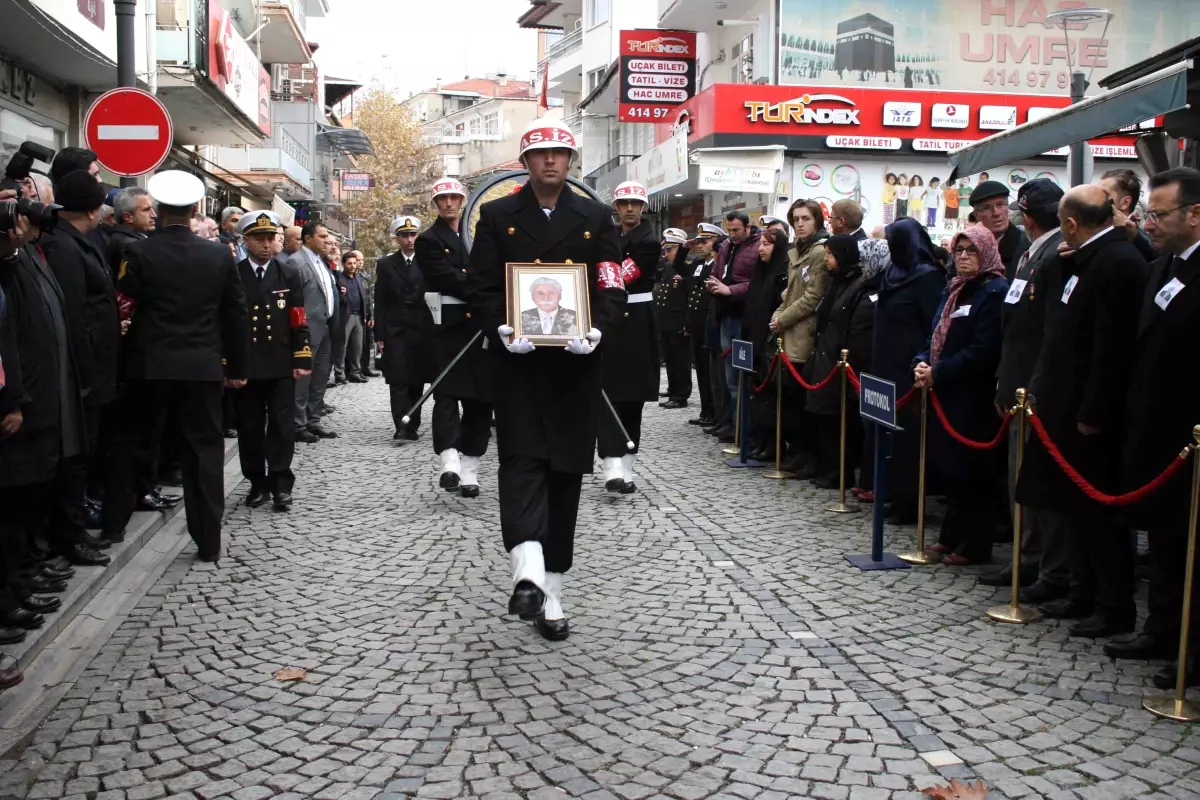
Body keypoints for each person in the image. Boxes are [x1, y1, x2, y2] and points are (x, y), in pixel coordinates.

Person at [464, 118, 626, 641]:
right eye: (540, 154)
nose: (550, 161)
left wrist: (597, 330)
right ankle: (527, 569)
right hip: (519, 365)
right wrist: (501, 327)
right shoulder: (496, 215)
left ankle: (552, 589)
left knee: (566, 479)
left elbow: (610, 284)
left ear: (571, 160)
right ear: (525, 162)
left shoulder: (598, 217)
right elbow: (482, 287)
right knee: (520, 464)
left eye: (559, 153)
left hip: (576, 369)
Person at [1018, 185, 1147, 637]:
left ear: (1071, 224)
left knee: (1099, 518)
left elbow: (1110, 350)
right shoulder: (1081, 260)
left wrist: (1093, 411)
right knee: (1074, 511)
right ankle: (1082, 591)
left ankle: (1113, 607)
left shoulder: (1116, 263)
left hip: (1088, 416)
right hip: (1063, 406)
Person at [101, 171, 250, 563]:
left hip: (148, 364)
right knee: (203, 452)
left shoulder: (139, 252)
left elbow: (125, 297)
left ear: (161, 210)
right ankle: (207, 540)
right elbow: (235, 315)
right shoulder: (219, 254)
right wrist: (236, 365)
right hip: (201, 367)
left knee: (132, 442)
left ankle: (115, 524)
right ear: (195, 210)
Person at [1112, 168, 1200, 684]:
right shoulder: (1161, 265)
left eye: (1160, 215)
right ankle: (1162, 630)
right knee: (1164, 538)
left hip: (1187, 430)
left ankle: (1190, 648)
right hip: (1156, 429)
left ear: (1195, 213)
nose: (1151, 223)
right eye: (1149, 213)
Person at [0, 190, 88, 642]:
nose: (25, 221)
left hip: (37, 398)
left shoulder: (28, 257)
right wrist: (12, 397)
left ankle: (22, 578)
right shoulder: (12, 265)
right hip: (20, 402)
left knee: (26, 498)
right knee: (13, 504)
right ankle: (11, 590)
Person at [982, 179, 1070, 602]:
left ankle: (1048, 566)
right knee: (1023, 482)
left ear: (1025, 215)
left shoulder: (1055, 255)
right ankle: (1027, 555)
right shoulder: (1031, 253)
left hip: (1035, 392)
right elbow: (1015, 328)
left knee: (1037, 484)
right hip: (1016, 384)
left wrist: (1027, 387)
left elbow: (1047, 333)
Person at [40, 170, 122, 565]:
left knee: (84, 456)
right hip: (81, 374)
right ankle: (67, 535)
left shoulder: (77, 242)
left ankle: (73, 528)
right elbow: (73, 316)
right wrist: (86, 377)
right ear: (94, 209)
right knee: (73, 460)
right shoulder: (64, 248)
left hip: (96, 368)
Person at [914, 224, 1008, 566]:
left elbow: (984, 348)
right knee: (949, 470)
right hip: (944, 393)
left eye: (972, 251)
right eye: (959, 250)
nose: (964, 257)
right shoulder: (955, 288)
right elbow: (936, 331)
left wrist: (938, 370)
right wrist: (922, 362)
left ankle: (974, 543)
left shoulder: (994, 291)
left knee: (973, 474)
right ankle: (951, 534)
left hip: (973, 395)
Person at [415, 178, 493, 497]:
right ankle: (449, 461)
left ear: (462, 201)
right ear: (435, 204)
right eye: (442, 198)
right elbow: (445, 278)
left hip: (480, 327)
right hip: (447, 326)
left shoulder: (478, 235)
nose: (448, 203)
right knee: (446, 395)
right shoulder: (428, 239)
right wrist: (479, 284)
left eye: (454, 198)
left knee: (481, 401)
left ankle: (471, 468)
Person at [232, 211, 311, 512]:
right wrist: (230, 364)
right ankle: (256, 482)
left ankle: (281, 483)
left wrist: (301, 355)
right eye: (258, 239)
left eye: (270, 238)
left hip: (279, 361)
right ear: (246, 240)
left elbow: (298, 318)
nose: (266, 245)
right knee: (249, 426)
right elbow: (226, 320)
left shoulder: (287, 273)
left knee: (281, 425)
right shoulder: (234, 273)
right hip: (247, 364)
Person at [875, 218, 947, 523]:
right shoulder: (892, 273)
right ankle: (892, 491)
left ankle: (910, 499)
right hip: (885, 361)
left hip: (910, 364)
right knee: (889, 432)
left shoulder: (928, 277)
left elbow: (933, 324)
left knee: (909, 436)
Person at [599, 181, 660, 494]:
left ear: (644, 206)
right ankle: (611, 464)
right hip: (610, 320)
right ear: (616, 207)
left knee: (632, 397)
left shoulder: (649, 240)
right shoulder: (607, 235)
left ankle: (626, 464)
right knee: (607, 392)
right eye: (624, 204)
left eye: (635, 203)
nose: (630, 209)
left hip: (636, 320)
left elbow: (618, 277)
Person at [803, 234, 876, 487]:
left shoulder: (855, 283)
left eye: (831, 255)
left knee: (837, 419)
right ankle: (827, 467)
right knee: (824, 416)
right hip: (825, 353)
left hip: (839, 357)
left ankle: (838, 472)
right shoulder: (836, 281)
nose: (826, 260)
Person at [771, 199, 829, 475]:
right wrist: (778, 313)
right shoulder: (797, 251)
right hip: (790, 331)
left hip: (806, 333)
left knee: (805, 402)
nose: (800, 223)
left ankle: (811, 456)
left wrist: (782, 318)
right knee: (791, 401)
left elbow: (813, 297)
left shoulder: (819, 251)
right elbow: (790, 292)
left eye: (806, 218)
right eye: (796, 219)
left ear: (817, 220)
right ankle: (799, 452)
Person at [375, 216, 436, 441]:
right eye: (404, 236)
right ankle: (401, 424)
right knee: (398, 379)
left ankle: (413, 422)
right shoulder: (386, 264)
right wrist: (379, 334)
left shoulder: (428, 261)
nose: (410, 240)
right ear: (397, 239)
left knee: (417, 380)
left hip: (421, 328)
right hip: (396, 328)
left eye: (413, 235)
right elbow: (380, 301)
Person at [740, 228, 794, 463]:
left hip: (771, 342)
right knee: (757, 395)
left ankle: (773, 443)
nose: (761, 248)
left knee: (771, 398)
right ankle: (759, 439)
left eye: (767, 244)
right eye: (760, 243)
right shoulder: (760, 271)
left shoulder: (781, 273)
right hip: (755, 338)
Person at [706, 211, 761, 431]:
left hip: (743, 316)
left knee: (741, 380)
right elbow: (717, 271)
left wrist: (730, 290)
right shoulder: (727, 247)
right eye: (729, 230)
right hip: (725, 314)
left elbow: (756, 283)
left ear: (748, 227)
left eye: (736, 230)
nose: (732, 234)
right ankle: (733, 426)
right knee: (729, 380)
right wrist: (714, 284)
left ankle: (744, 431)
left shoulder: (757, 247)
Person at [284, 221, 338, 442]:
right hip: (306, 331)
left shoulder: (321, 261)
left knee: (320, 377)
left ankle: (313, 421)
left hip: (325, 328)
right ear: (308, 239)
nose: (327, 241)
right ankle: (297, 425)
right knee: (303, 380)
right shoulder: (296, 262)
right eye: (323, 236)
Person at [674, 223, 724, 429]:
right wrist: (685, 248)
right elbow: (679, 267)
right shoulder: (698, 263)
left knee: (710, 372)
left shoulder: (718, 265)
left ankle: (713, 412)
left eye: (705, 241)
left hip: (708, 324)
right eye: (699, 241)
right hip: (696, 324)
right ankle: (705, 410)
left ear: (715, 244)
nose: (700, 245)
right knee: (702, 371)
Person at [655, 228, 691, 409]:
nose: (667, 253)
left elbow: (688, 296)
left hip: (678, 319)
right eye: (666, 249)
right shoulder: (666, 267)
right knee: (670, 357)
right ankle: (673, 388)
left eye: (671, 249)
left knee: (680, 360)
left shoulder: (685, 266)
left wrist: (686, 322)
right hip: (666, 318)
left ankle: (681, 394)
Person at [968, 180, 1029, 277]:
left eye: (1000, 204)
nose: (996, 213)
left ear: (1007, 207)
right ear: (977, 215)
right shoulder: (968, 247)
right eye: (987, 207)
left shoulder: (1026, 245)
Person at [106, 188, 156, 281]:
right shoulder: (130, 246)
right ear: (128, 217)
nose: (154, 215)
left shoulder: (121, 239)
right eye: (146, 210)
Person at [339, 251, 371, 383]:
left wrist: (366, 315)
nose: (352, 266)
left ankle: (355, 372)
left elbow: (364, 297)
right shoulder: (339, 278)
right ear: (344, 264)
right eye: (349, 263)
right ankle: (340, 374)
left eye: (354, 263)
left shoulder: (358, 278)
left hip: (359, 316)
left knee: (357, 347)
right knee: (343, 347)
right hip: (346, 316)